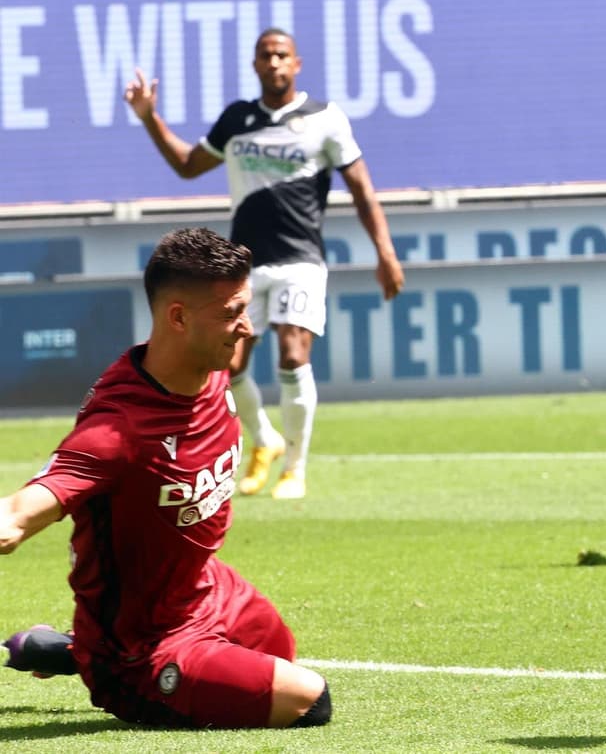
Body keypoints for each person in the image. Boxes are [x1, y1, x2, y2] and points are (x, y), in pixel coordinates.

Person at [0, 227, 332, 729]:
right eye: (231, 313)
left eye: (246, 308)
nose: (246, 327)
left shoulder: (210, 363)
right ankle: (99, 659)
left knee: (282, 654)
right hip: (141, 646)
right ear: (178, 317)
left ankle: (72, 648)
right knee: (308, 698)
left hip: (206, 588)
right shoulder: (118, 432)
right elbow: (16, 516)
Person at [124, 28, 405, 500]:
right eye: (265, 56)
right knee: (227, 366)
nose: (273, 63)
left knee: (293, 354)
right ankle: (265, 440)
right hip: (246, 264)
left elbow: (361, 187)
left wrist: (385, 252)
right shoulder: (238, 119)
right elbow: (188, 166)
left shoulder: (324, 119)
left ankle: (295, 467)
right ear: (255, 65)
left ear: (297, 64)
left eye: (282, 55)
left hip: (302, 259)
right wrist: (150, 117)